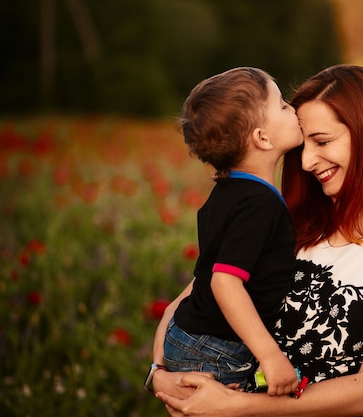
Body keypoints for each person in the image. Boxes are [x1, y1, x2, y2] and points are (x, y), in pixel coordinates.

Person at [152, 64, 363, 417]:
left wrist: (237, 407)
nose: (308, 161)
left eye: (323, 142)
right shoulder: (284, 226)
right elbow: (189, 302)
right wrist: (158, 377)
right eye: (302, 146)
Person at [147, 67, 304, 397]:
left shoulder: (228, 191)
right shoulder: (259, 204)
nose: (293, 107)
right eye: (282, 105)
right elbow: (225, 280)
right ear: (262, 138)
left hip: (194, 333)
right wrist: (270, 356)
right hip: (215, 348)